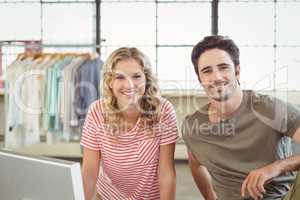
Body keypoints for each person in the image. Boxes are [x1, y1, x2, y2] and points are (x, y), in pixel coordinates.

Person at [182, 35, 300, 200]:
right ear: (200, 79)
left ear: (237, 71)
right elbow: (196, 166)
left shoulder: (269, 108)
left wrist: (277, 167)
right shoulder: (193, 126)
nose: (216, 77)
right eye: (207, 71)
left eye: (223, 67)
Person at [80, 47, 179, 200]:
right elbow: (89, 171)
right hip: (108, 196)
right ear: (109, 82)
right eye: (120, 77)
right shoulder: (96, 111)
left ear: (147, 80)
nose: (130, 85)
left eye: (136, 76)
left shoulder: (163, 111)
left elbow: (166, 172)